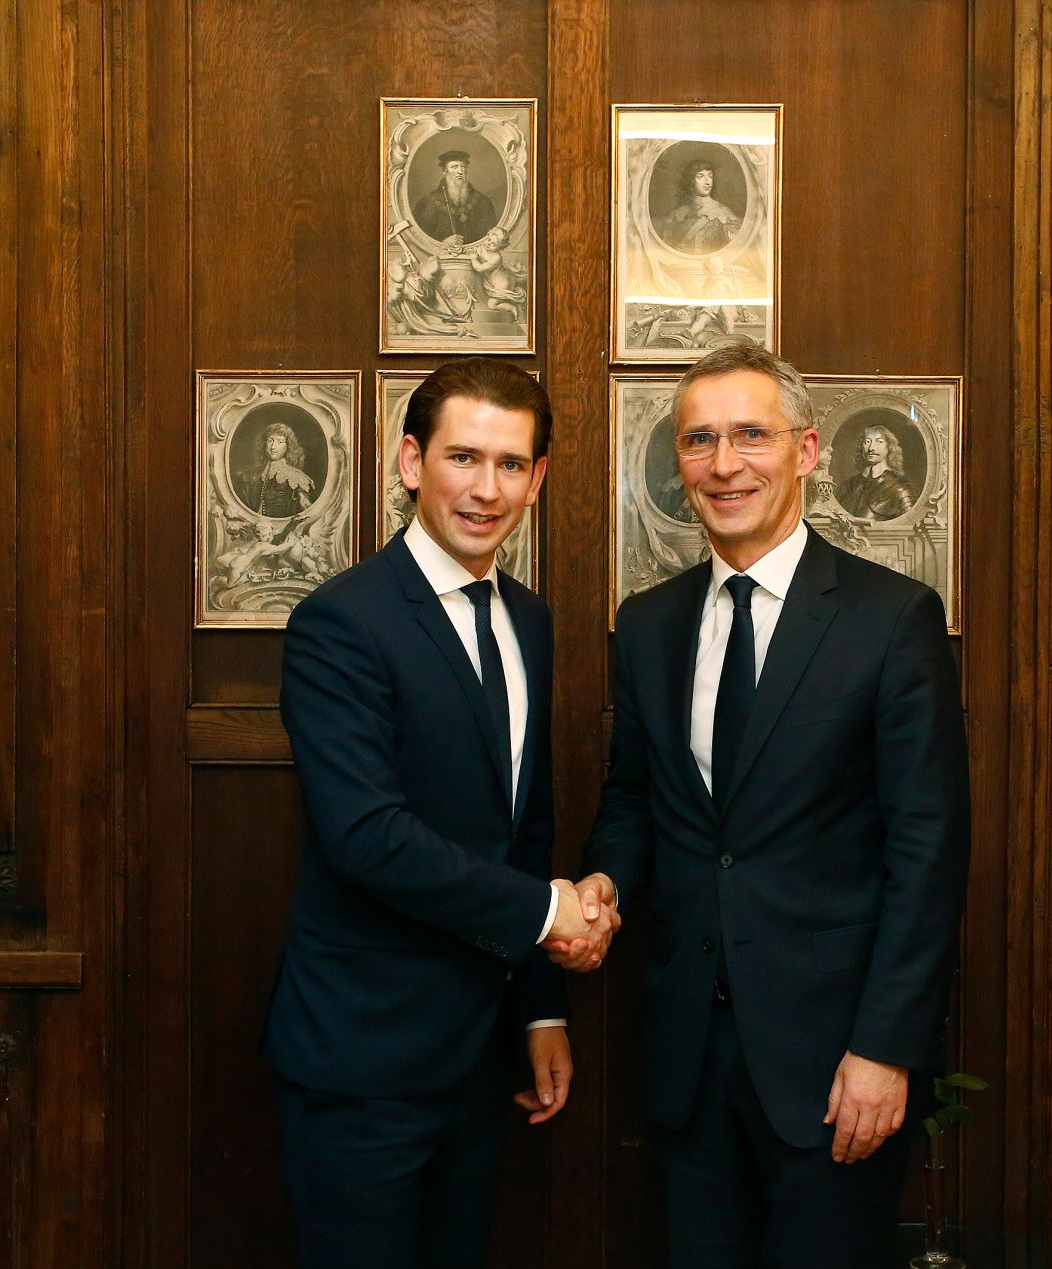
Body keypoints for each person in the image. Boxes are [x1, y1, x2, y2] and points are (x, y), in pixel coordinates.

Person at [552, 345, 970, 1268]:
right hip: (687, 1062)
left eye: (751, 435)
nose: (724, 462)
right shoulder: (649, 623)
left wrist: (885, 1050)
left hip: (834, 1067)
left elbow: (927, 853)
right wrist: (603, 879)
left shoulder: (890, 620)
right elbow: (635, 798)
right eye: (699, 440)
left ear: (808, 450)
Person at [265, 358, 608, 1269]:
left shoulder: (529, 619)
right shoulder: (341, 621)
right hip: (361, 1061)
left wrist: (541, 1011)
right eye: (463, 458)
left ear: (537, 479)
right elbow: (366, 838)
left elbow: (522, 834)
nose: (485, 488)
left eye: (509, 464)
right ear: (412, 462)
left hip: (480, 1058)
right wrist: (548, 914)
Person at [412, 149, 499, 246]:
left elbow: (491, 236)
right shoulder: (428, 202)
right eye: (454, 167)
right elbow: (419, 236)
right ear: (444, 171)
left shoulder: (482, 202)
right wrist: (441, 242)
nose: (460, 171)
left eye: (463, 167)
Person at [837, 420, 918, 520]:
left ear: (889, 446)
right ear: (861, 447)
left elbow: (909, 526)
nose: (871, 448)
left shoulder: (900, 487)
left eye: (879, 441)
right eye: (867, 442)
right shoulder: (849, 486)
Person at [657, 159, 741, 254]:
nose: (707, 182)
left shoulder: (724, 213)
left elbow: (733, 249)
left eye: (710, 176)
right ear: (690, 180)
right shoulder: (676, 214)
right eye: (700, 176)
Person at [252, 421, 315, 518]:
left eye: (280, 442)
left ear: (288, 446)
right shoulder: (254, 475)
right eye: (270, 441)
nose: (273, 447)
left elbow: (307, 514)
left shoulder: (297, 478)